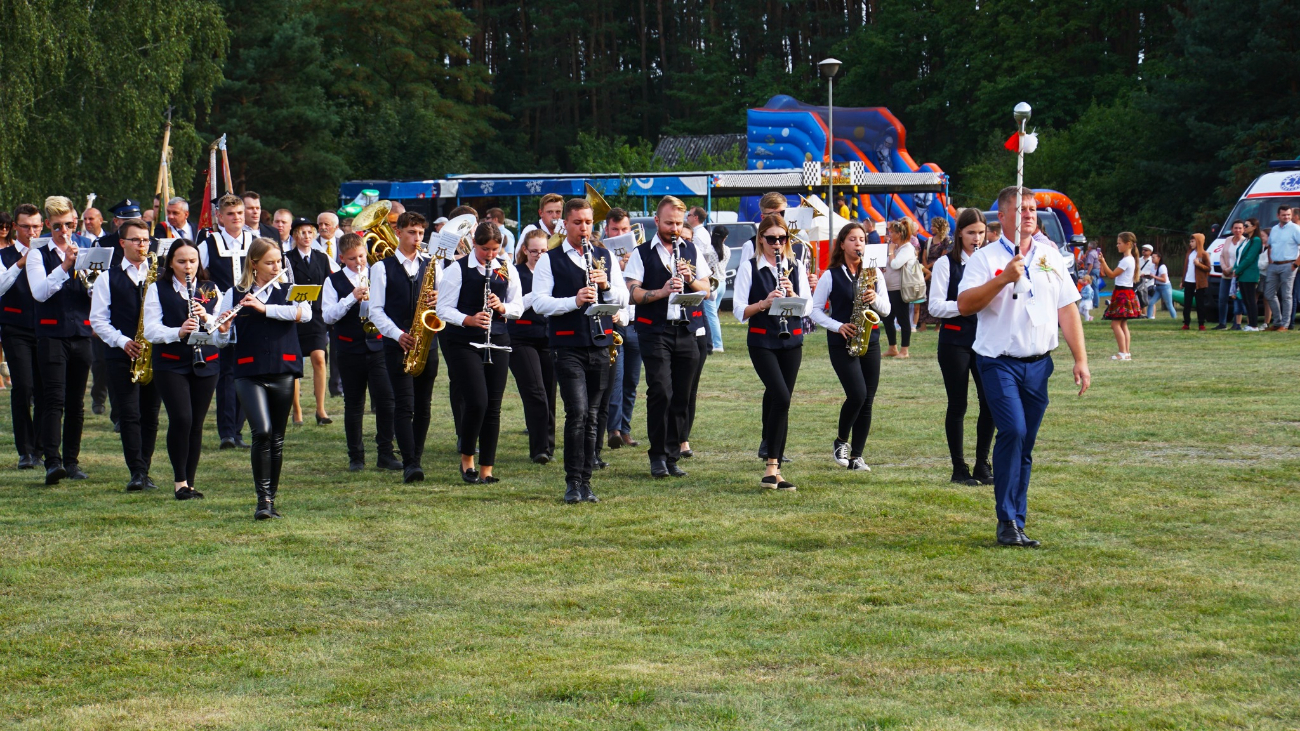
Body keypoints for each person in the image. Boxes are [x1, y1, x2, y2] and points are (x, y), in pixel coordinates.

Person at [956, 186, 1090, 548]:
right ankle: (1006, 520)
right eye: (1021, 209)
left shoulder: (1050, 255)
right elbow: (965, 304)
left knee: (1025, 442)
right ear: (1003, 217)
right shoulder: (984, 259)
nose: (1029, 214)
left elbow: (1067, 308)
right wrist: (1003, 278)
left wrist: (1080, 359)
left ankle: (1017, 519)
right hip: (998, 361)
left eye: (1032, 209)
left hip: (1039, 364)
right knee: (1013, 431)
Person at [531, 198, 627, 504]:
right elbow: (539, 302)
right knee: (578, 412)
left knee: (594, 415)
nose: (583, 228)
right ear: (565, 224)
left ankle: (586, 481)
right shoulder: (550, 259)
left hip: (601, 343)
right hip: (567, 344)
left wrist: (606, 286)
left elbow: (623, 299)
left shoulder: (604, 256)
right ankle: (573, 481)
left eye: (588, 222)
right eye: (577, 222)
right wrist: (573, 301)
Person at [217, 238, 308, 519]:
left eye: (279, 261)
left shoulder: (291, 290)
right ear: (254, 264)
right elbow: (220, 341)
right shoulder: (234, 293)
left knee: (277, 438)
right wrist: (223, 329)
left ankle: (270, 500)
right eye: (270, 263)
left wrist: (263, 308)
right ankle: (262, 500)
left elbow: (304, 314)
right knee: (263, 431)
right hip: (249, 371)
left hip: (283, 368)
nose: (276, 267)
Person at [623, 195, 711, 480]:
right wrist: (662, 291)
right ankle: (658, 456)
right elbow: (632, 293)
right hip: (654, 330)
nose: (674, 228)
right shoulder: (641, 253)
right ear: (656, 221)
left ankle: (672, 456)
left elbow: (707, 289)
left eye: (678, 223)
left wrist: (690, 279)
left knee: (682, 395)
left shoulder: (691, 249)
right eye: (669, 222)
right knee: (661, 390)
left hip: (686, 329)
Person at [436, 221, 522, 484]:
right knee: (477, 402)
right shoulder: (457, 269)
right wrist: (469, 319)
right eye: (485, 249)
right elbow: (443, 309)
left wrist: (502, 307)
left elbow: (518, 306)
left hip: (497, 339)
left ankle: (487, 468)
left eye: (495, 249)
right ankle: (467, 459)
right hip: (464, 342)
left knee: (493, 407)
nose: (490, 255)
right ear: (474, 244)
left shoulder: (506, 268)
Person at [143, 239, 227, 499]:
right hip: (171, 361)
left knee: (196, 423)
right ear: (171, 263)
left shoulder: (211, 288)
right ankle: (179, 481)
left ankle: (190, 482)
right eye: (181, 261)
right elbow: (151, 330)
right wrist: (178, 332)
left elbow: (222, 326)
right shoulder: (158, 288)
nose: (188, 266)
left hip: (206, 361)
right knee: (182, 418)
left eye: (192, 261)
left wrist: (206, 317)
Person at [732, 214, 811, 489]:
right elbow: (739, 311)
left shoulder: (795, 266)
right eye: (771, 239)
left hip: (792, 341)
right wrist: (764, 303)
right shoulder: (749, 267)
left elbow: (808, 308)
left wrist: (793, 295)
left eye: (782, 238)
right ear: (761, 239)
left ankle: (775, 471)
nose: (777, 244)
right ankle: (771, 466)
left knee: (783, 402)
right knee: (781, 396)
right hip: (762, 341)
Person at [89, 218, 162, 491]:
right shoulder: (107, 277)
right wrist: (122, 341)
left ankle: (146, 468)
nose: (142, 245)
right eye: (136, 240)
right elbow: (98, 320)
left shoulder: (159, 275)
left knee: (151, 414)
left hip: (154, 353)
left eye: (145, 240)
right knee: (129, 413)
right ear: (122, 243)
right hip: (121, 354)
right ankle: (137, 472)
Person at [811, 222, 888, 474]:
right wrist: (837, 326)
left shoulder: (874, 274)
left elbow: (887, 310)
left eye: (862, 239)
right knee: (857, 394)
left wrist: (875, 298)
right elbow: (814, 310)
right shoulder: (830, 275)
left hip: (870, 339)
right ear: (842, 244)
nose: (858, 244)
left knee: (868, 400)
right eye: (852, 239)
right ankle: (841, 441)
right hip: (841, 341)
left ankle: (857, 457)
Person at [26, 196, 94, 484]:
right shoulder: (37, 254)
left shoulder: (87, 250)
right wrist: (65, 266)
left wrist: (91, 278)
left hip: (81, 333)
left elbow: (97, 293)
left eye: (69, 225)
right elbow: (40, 293)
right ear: (48, 225)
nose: (64, 231)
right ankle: (52, 462)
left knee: (76, 402)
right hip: (51, 333)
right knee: (54, 399)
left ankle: (72, 462)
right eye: (57, 226)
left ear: (75, 223)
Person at [322, 233, 400, 472]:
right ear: (342, 258)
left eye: (361, 257)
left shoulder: (377, 273)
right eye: (352, 258)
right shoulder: (333, 281)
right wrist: (350, 298)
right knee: (354, 404)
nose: (359, 262)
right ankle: (356, 456)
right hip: (349, 348)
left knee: (386, 400)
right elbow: (328, 316)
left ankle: (385, 452)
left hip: (378, 346)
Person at [370, 211, 438, 483]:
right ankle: (410, 463)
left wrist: (439, 298)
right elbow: (375, 310)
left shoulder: (432, 265)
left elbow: (447, 303)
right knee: (404, 404)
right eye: (412, 232)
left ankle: (416, 457)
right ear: (398, 232)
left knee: (423, 405)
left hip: (427, 341)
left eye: (421, 233)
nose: (417, 238)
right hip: (398, 343)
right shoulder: (381, 268)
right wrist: (397, 335)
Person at [927, 209, 993, 485]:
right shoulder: (946, 263)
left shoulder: (990, 261)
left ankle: (982, 464)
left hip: (986, 340)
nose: (977, 238)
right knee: (958, 404)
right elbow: (935, 306)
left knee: (989, 403)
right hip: (955, 341)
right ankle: (958, 468)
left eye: (981, 233)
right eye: (971, 233)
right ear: (959, 234)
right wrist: (966, 305)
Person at [199, 194, 253, 449]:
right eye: (230, 214)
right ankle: (227, 433)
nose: (236, 218)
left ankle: (239, 430)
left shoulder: (255, 241)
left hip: (251, 312)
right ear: (220, 217)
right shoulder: (208, 244)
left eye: (240, 213)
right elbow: (197, 277)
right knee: (227, 373)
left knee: (247, 371)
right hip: (222, 314)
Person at [1, 204, 46, 469]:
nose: (31, 232)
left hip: (46, 328)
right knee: (24, 387)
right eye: (26, 227)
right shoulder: (4, 255)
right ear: (15, 227)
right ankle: (25, 451)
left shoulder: (49, 253)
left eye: (36, 226)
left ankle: (40, 448)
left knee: (44, 389)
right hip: (15, 326)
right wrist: (20, 263)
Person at [508, 229, 558, 463]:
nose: (539, 255)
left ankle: (548, 446)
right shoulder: (515, 273)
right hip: (521, 338)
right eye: (535, 251)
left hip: (549, 338)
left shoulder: (552, 272)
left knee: (549, 391)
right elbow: (512, 307)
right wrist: (535, 295)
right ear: (525, 251)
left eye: (544, 251)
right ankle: (539, 449)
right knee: (535, 392)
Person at [284, 217, 336, 426]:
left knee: (319, 358)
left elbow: (328, 284)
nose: (307, 236)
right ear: (295, 236)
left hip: (316, 317)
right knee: (295, 364)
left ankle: (321, 410)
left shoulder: (321, 258)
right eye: (302, 232)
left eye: (309, 232)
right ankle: (296, 410)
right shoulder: (286, 258)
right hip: (294, 316)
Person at [601, 210, 642, 451]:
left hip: (636, 324)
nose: (620, 234)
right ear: (606, 230)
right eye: (615, 229)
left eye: (625, 229)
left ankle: (625, 429)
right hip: (614, 322)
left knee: (632, 381)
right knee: (615, 380)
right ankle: (613, 429)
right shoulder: (601, 255)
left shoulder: (641, 254)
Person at [1099, 232, 1142, 360]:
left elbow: (1112, 275)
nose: (1117, 245)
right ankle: (1126, 352)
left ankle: (1122, 352)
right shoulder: (1130, 259)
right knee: (1123, 324)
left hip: (1122, 293)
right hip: (1126, 292)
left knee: (1115, 324)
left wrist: (1103, 262)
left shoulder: (1126, 260)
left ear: (1128, 244)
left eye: (1119, 243)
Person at [880, 220, 916, 358]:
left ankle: (904, 350)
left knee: (903, 319)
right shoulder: (897, 247)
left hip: (900, 289)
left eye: (892, 232)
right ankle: (892, 347)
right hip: (889, 288)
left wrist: (890, 251)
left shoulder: (907, 248)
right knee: (887, 318)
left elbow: (895, 264)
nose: (890, 235)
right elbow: (889, 265)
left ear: (899, 234)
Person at [1263, 205, 1299, 331]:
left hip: (1289, 264)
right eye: (1284, 215)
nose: (1286, 217)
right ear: (1278, 216)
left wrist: (1296, 264)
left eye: (1288, 215)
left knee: (1286, 295)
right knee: (1269, 294)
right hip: (1274, 265)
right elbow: (1270, 246)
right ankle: (1277, 322)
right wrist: (1270, 261)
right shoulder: (1274, 229)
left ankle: (1285, 324)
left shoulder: (1295, 228)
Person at [915, 218, 952, 332]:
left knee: (938, 295)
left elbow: (943, 256)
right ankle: (923, 323)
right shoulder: (929, 240)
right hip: (927, 270)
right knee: (925, 296)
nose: (931, 228)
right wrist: (926, 267)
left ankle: (938, 324)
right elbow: (924, 255)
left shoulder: (946, 241)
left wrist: (930, 266)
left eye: (933, 226)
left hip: (938, 269)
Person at [1234, 222, 1264, 331]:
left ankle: (1254, 325)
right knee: (1246, 299)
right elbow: (1239, 256)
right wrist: (1235, 268)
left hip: (1250, 273)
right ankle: (1250, 324)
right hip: (1242, 274)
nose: (1244, 228)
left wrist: (1238, 270)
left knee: (1251, 299)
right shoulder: (1247, 240)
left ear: (1254, 227)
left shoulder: (1256, 240)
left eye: (1246, 226)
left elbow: (1249, 258)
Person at [1182, 234, 1211, 331]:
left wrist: (1198, 264)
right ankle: (1186, 323)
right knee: (1187, 304)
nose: (1191, 243)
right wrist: (1183, 281)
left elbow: (1208, 268)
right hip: (1188, 281)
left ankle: (1201, 324)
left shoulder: (1204, 254)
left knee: (1200, 304)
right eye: (1190, 241)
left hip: (1199, 283)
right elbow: (1186, 268)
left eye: (1193, 241)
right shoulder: (1189, 254)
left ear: (1198, 242)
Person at [1145, 254, 1176, 320]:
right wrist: (1145, 275)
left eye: (1154, 258)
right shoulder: (1152, 266)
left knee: (1169, 304)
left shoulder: (1162, 267)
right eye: (1152, 257)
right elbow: (1152, 276)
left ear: (1159, 258)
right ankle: (1149, 318)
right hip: (1158, 287)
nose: (1152, 259)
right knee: (1151, 302)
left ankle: (1174, 318)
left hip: (1165, 287)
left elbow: (1164, 280)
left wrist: (1154, 276)